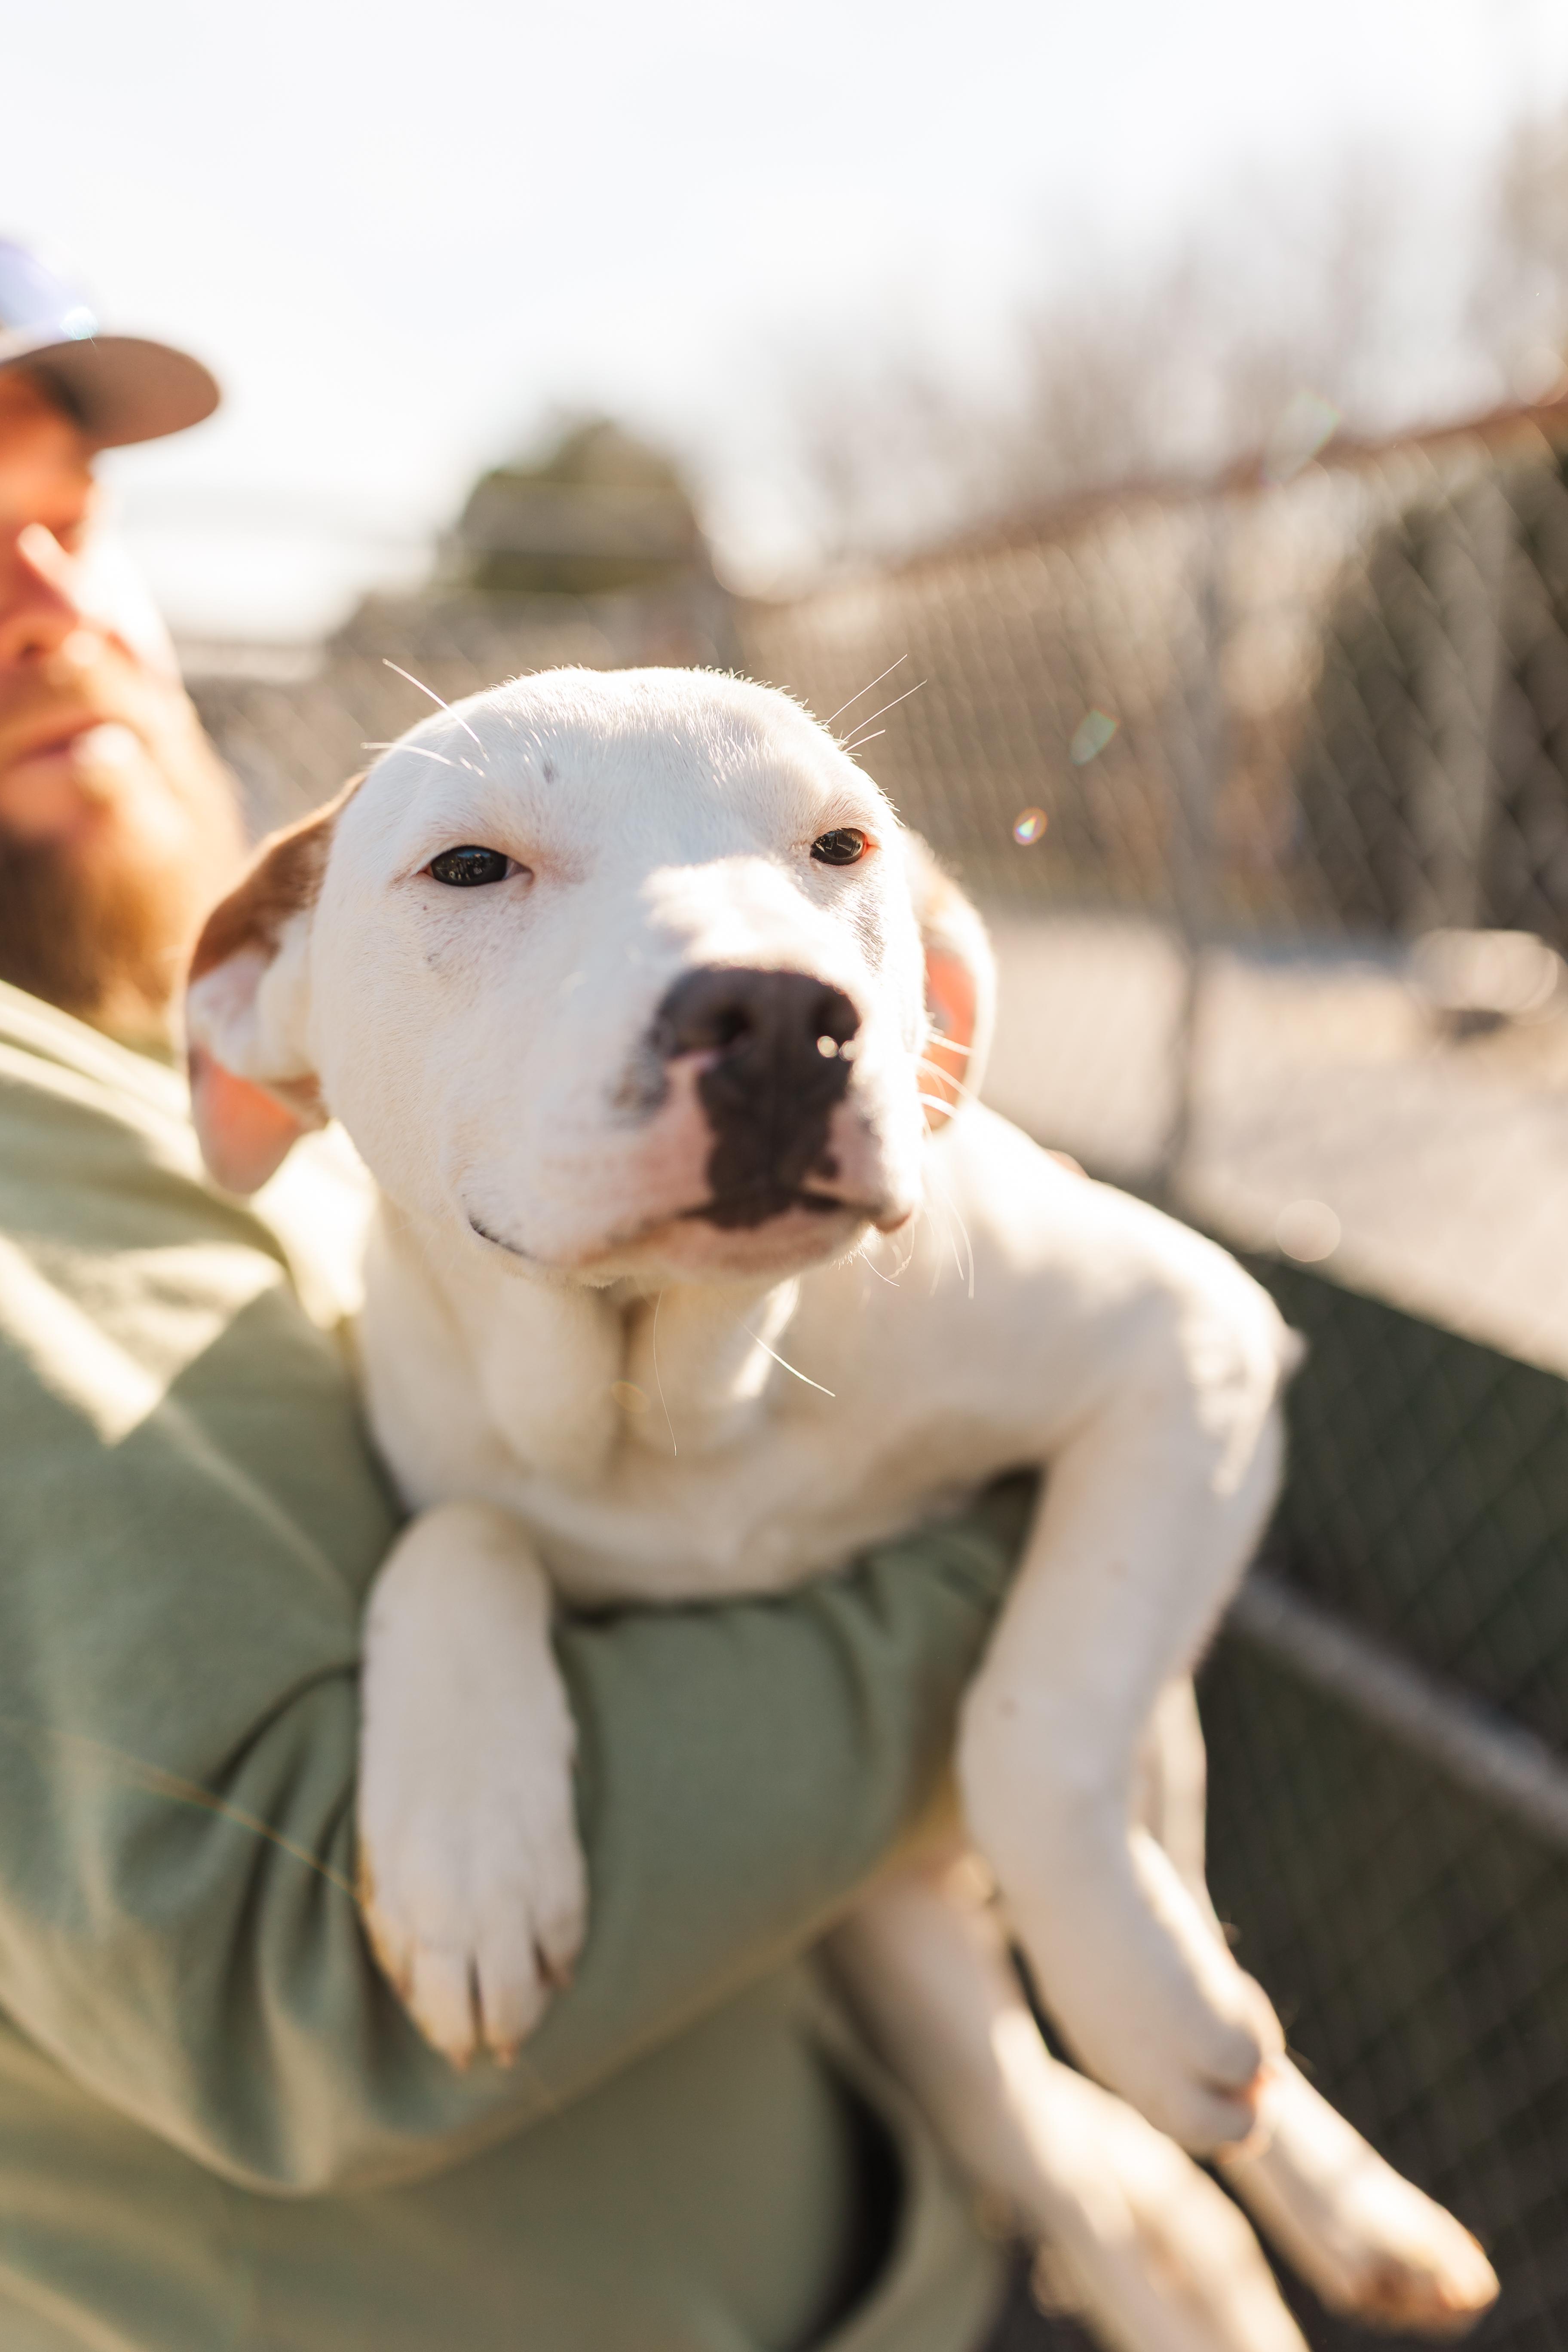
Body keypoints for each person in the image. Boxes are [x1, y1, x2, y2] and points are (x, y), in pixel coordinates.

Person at [0, 240, 1047, 2352]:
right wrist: (994, 1569)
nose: (46, 591)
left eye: (68, 514)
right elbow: (283, 1967)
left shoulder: (266, 1085)